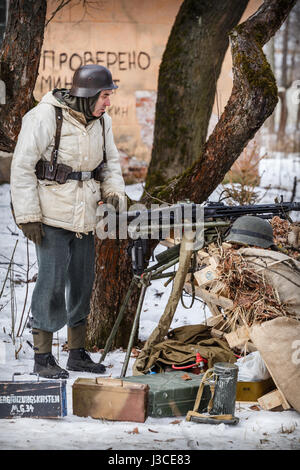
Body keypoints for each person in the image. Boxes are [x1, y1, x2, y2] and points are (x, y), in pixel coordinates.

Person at [10, 64, 126, 379]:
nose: (109, 102)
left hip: (85, 217)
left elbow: (110, 163)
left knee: (82, 283)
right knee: (51, 284)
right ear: (89, 95)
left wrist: (114, 194)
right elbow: (21, 167)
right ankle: (42, 357)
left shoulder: (103, 123)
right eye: (105, 95)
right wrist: (28, 215)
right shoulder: (45, 117)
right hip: (50, 216)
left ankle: (76, 353)